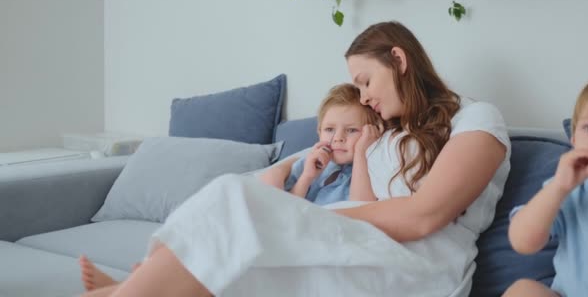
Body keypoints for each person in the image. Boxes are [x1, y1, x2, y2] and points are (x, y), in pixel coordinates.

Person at [82, 20, 510, 297]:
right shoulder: (383, 139)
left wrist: (293, 217)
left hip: (422, 262)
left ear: (398, 60)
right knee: (239, 217)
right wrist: (284, 191)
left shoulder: (477, 118)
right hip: (364, 241)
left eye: (365, 81)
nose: (364, 98)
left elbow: (422, 217)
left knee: (241, 205)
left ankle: (129, 291)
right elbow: (317, 167)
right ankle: (139, 286)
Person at [78, 83, 383, 292]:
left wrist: (361, 154)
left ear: (369, 133)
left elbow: (361, 209)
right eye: (330, 130)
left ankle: (130, 287)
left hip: (309, 240)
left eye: (351, 131)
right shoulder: (312, 163)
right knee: (216, 234)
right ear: (319, 132)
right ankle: (135, 283)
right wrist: (305, 179)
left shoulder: (362, 171)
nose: (338, 138)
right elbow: (285, 204)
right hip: (284, 227)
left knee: (231, 256)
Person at [502, 75, 588, 297]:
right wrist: (559, 188)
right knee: (523, 290)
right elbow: (523, 242)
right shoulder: (568, 191)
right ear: (574, 140)